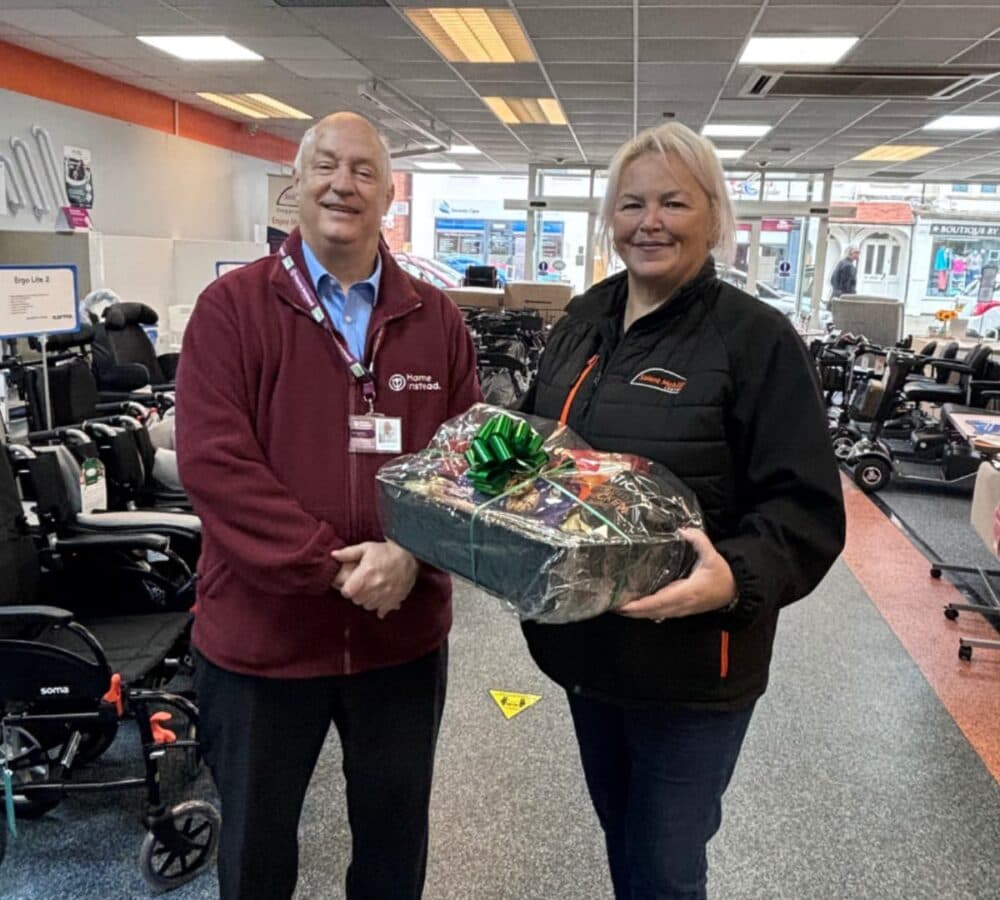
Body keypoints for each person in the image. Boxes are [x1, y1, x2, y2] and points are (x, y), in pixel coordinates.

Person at [517, 122, 845, 900]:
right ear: (610, 219)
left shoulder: (755, 339)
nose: (650, 221)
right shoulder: (582, 322)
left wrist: (731, 579)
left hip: (697, 663)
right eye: (632, 204)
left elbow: (805, 508)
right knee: (623, 837)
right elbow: (537, 454)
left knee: (665, 865)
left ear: (714, 216)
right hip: (585, 651)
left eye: (674, 202)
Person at [175, 112, 481, 900]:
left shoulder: (436, 319)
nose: (343, 184)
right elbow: (217, 467)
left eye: (365, 171)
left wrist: (411, 554)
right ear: (297, 185)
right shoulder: (231, 309)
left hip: (402, 639)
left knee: (392, 844)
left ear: (389, 196)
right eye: (325, 166)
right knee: (255, 848)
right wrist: (329, 567)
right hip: (262, 644)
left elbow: (468, 462)